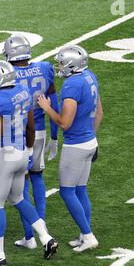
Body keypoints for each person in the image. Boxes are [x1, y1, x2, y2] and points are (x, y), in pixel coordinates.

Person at [0, 60, 58, 266]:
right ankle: (46, 238)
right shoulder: (23, 91)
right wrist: (30, 150)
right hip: (21, 152)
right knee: (18, 199)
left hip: (3, 156)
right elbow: (31, 127)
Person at [37, 45, 103, 252]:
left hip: (76, 145)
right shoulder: (90, 76)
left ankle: (88, 235)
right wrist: (90, 135)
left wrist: (47, 108)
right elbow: (99, 112)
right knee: (80, 189)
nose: (60, 66)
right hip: (89, 142)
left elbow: (64, 123)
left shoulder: (72, 84)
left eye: (62, 63)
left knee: (67, 192)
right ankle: (85, 234)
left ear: (73, 64)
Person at [3, 34, 59, 249]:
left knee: (21, 184)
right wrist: (55, 136)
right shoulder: (45, 68)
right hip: (42, 131)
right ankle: (41, 227)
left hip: (19, 135)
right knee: (37, 177)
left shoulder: (8, 73)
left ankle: (30, 237)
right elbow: (53, 102)